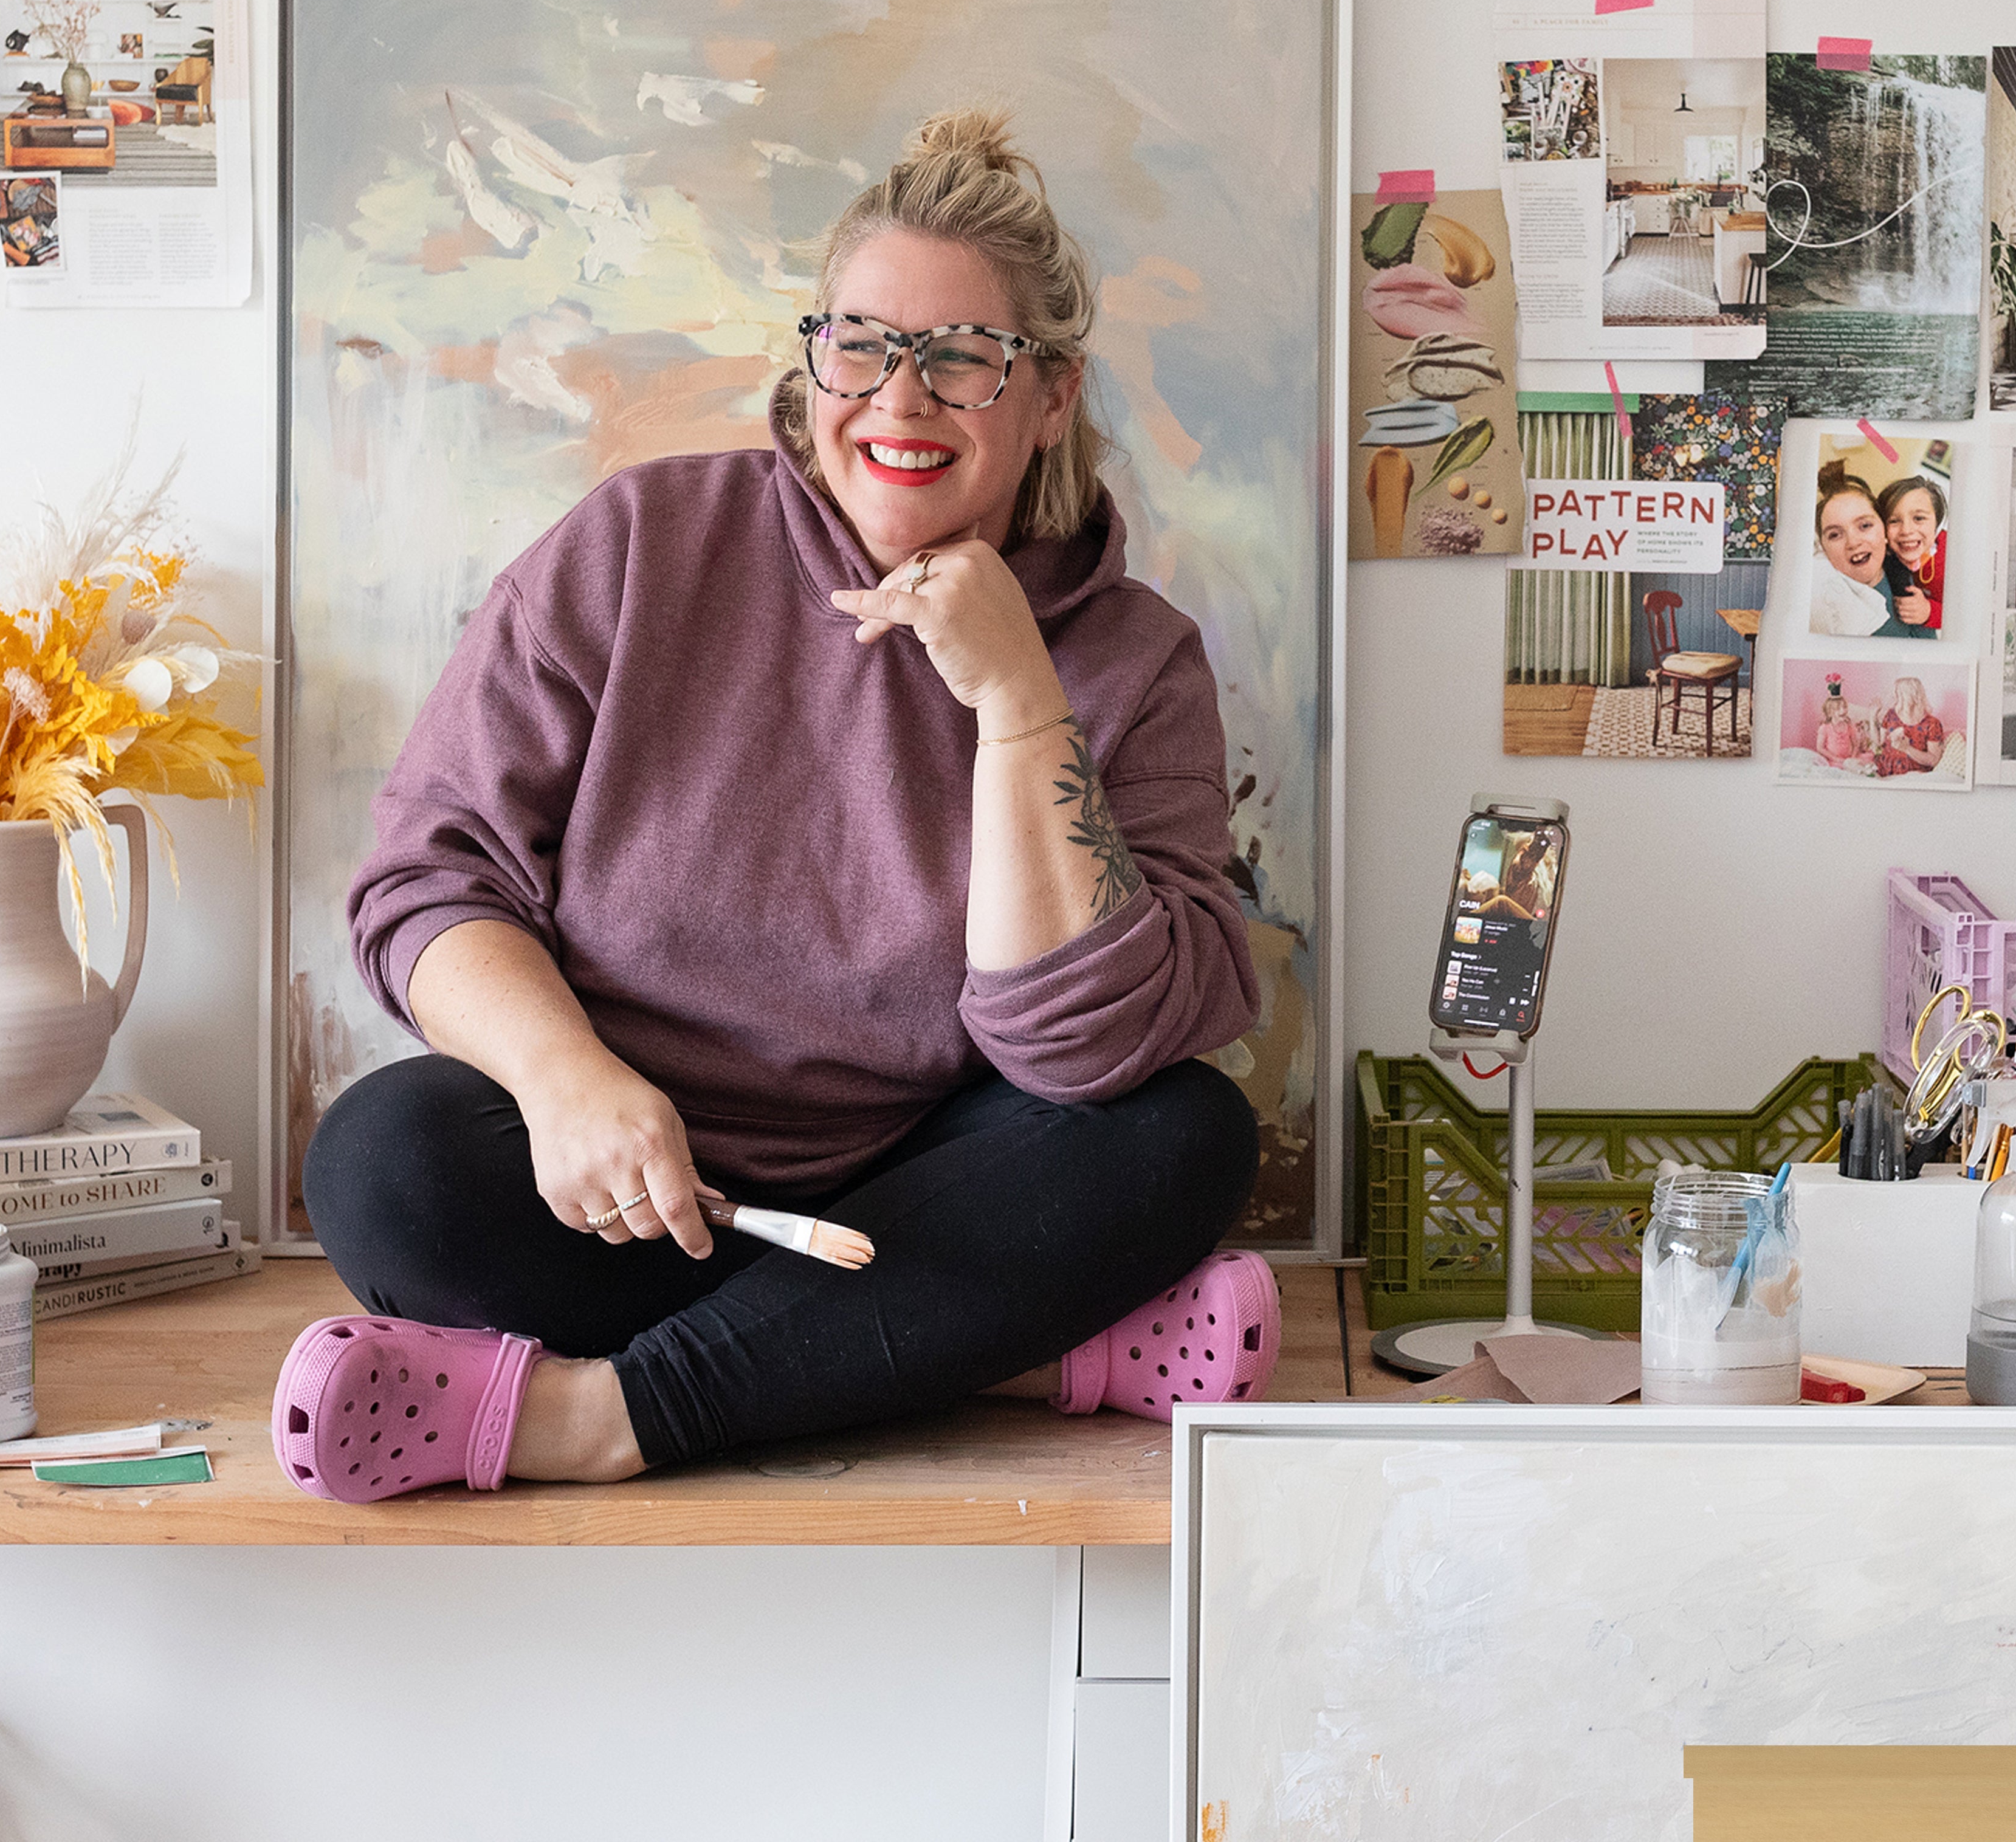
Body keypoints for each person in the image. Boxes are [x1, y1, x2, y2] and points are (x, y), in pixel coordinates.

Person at [277, 109, 1275, 1503]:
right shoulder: (638, 544)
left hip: (940, 1188)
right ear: (814, 365)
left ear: (1050, 394)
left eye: (962, 357)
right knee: (384, 1162)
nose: (899, 400)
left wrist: (1016, 700)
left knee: (1180, 1136)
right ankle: (989, 1353)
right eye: (860, 346)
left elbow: (1083, 1049)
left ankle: (595, 1419)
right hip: (630, 1189)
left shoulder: (1137, 660)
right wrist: (569, 1084)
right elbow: (431, 879)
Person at [1810, 480, 1896, 638]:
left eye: (1865, 526)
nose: (1853, 542)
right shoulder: (1818, 608)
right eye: (1835, 535)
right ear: (1824, 549)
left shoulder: (1917, 586)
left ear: (1885, 529)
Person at [1877, 472, 1947, 639]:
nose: (1907, 530)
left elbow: (1973, 612)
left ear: (1937, 524)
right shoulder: (1883, 557)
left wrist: (1929, 612)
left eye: (1919, 518)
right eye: (1894, 521)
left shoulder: (1953, 557)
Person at [1873, 675, 1949, 777]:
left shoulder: (1932, 724)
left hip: (1913, 776)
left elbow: (1934, 761)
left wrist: (1907, 748)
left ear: (1914, 696)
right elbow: (1879, 742)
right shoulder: (1891, 715)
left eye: (1901, 693)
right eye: (1896, 693)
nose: (1896, 697)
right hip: (1885, 770)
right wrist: (1872, 716)